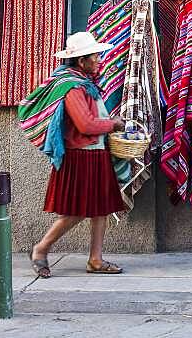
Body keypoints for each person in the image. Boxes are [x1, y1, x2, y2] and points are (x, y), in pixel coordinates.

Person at [27, 31, 126, 278]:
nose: (99, 60)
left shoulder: (85, 83)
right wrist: (113, 124)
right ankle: (41, 249)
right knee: (77, 211)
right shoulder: (72, 87)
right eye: (95, 56)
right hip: (80, 155)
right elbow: (86, 125)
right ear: (82, 61)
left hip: (95, 152)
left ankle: (96, 259)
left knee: (100, 208)